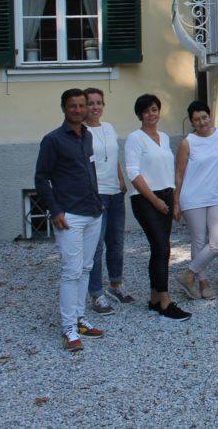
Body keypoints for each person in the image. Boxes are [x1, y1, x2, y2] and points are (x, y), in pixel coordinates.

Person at [35, 88, 105, 352]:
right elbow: (41, 178)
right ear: (64, 108)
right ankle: (68, 329)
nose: (78, 110)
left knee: (86, 268)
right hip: (69, 216)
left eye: (82, 105)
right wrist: (55, 210)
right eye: (73, 106)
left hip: (92, 212)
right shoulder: (53, 140)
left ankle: (79, 319)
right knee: (71, 271)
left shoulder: (87, 136)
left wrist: (98, 202)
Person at [125, 94, 191, 321]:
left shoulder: (163, 137)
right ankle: (165, 300)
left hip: (166, 195)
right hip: (145, 199)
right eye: (146, 111)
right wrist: (154, 200)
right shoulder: (135, 138)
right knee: (162, 248)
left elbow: (168, 171)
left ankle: (154, 297)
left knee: (161, 248)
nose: (151, 114)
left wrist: (174, 201)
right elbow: (133, 173)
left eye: (154, 109)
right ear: (140, 115)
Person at [174, 100, 218, 301]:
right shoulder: (187, 143)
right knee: (199, 241)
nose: (201, 122)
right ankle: (203, 282)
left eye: (204, 117)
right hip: (192, 197)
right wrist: (176, 203)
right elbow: (179, 175)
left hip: (216, 195)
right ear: (192, 122)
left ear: (210, 116)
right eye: (196, 119)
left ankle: (188, 274)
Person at [83, 87, 130, 315]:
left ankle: (116, 283)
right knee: (97, 245)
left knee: (117, 240)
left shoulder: (109, 128)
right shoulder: (81, 131)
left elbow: (113, 158)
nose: (95, 107)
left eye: (99, 102)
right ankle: (96, 293)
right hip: (97, 192)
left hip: (115, 191)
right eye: (90, 103)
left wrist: (121, 179)